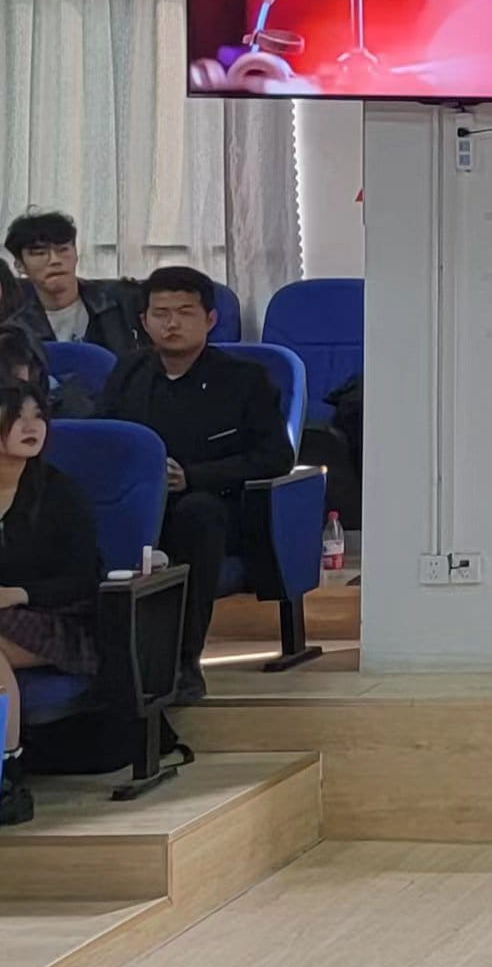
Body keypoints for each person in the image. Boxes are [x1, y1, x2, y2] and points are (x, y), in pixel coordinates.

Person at [99, 268, 292, 702]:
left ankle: (184, 662)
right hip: (138, 503)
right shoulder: (128, 372)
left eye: (185, 312)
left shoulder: (245, 379)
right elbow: (104, 437)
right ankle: (106, 663)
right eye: (161, 313)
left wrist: (193, 477)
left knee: (197, 515)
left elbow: (275, 456)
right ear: (144, 321)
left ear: (209, 319)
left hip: (217, 507)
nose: (172, 323)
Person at [0, 382, 103, 825]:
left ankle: (6, 773)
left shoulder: (59, 493)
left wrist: (20, 594)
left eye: (38, 415)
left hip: (58, 618)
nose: (31, 426)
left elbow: (83, 579)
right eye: (17, 416)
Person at [4, 212, 139, 356]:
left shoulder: (121, 301)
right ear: (20, 266)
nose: (55, 260)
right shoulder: (17, 331)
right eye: (40, 253)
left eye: (63, 250)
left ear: (76, 254)